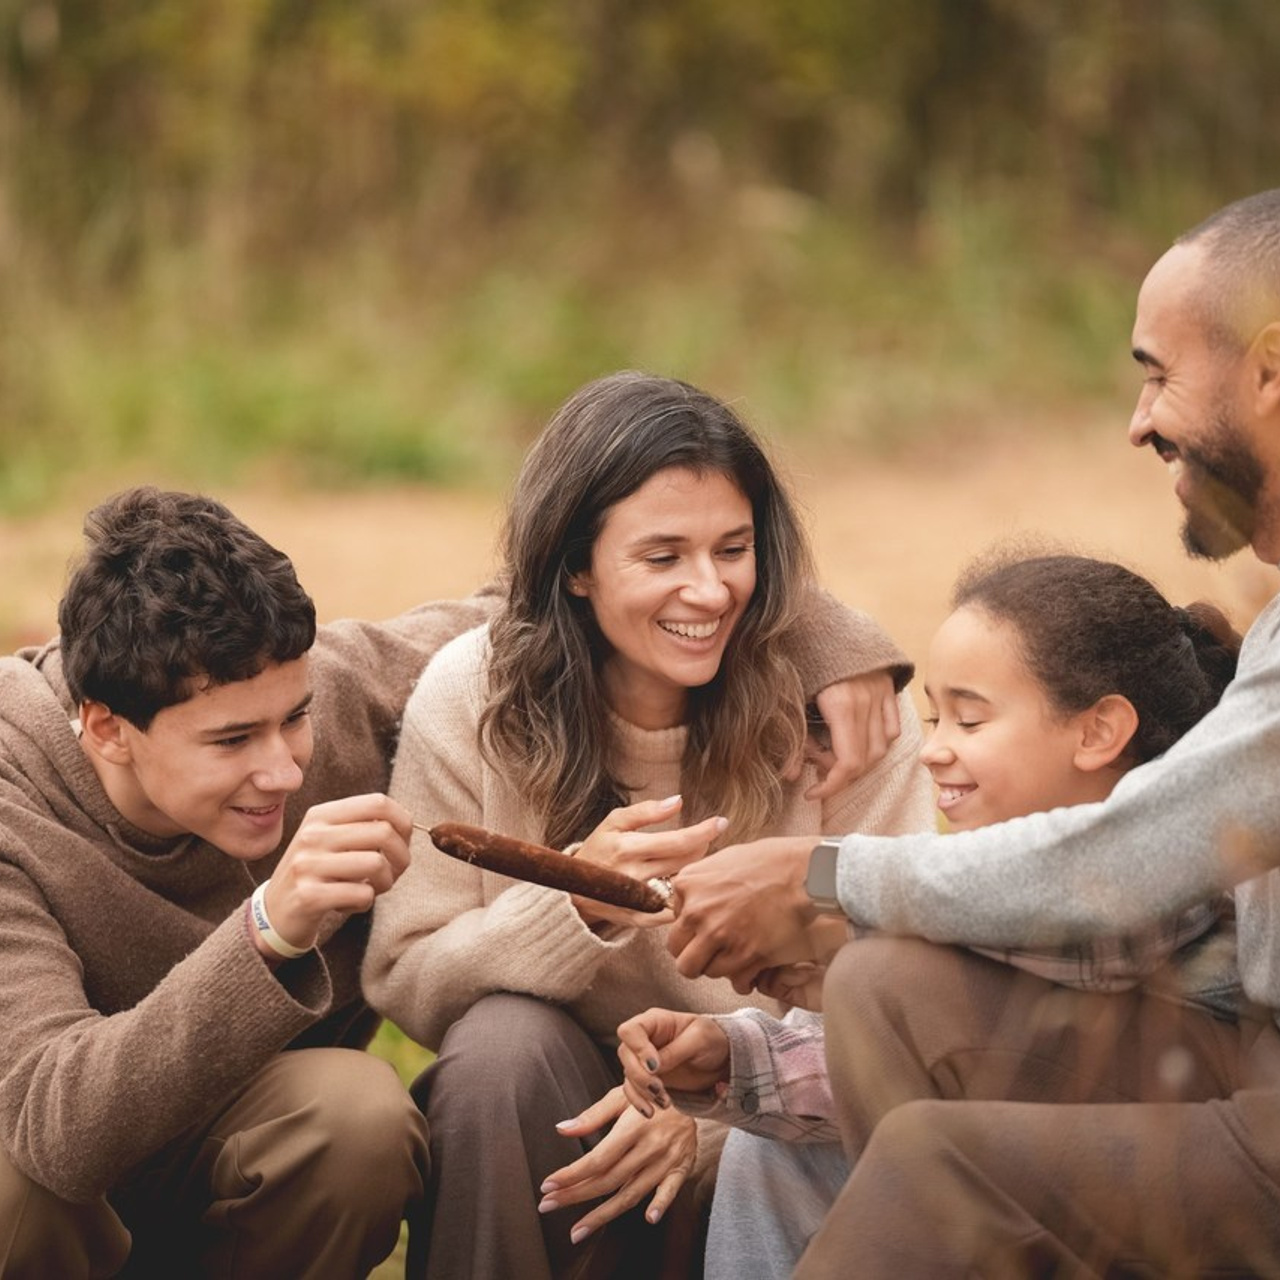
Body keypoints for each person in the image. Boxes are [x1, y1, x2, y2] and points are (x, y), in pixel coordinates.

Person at [661, 188, 1280, 1274]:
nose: (1137, 420)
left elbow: (1127, 858)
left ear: (1270, 371)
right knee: (881, 988)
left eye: (1155, 372)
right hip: (1240, 1056)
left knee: (934, 1160)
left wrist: (821, 875)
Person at [362, 369, 934, 1279]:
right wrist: (575, 908)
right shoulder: (474, 694)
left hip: (776, 1124)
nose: (708, 591)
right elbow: (407, 975)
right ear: (578, 567)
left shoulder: (840, 716)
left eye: (734, 549)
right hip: (551, 1126)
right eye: (663, 557)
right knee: (501, 1049)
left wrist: (717, 1112)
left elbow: (907, 987)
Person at [616, 550, 1241, 1277]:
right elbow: (958, 1033)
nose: (933, 752)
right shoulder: (968, 883)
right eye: (935, 719)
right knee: (775, 1148)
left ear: (1098, 732)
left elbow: (1086, 943)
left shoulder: (1171, 865)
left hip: (1159, 1181)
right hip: (1006, 1167)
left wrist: (821, 893)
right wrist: (737, 1059)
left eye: (970, 721)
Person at [0, 485, 506, 1277]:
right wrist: (267, 929)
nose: (282, 769)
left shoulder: (339, 694)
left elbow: (529, 614)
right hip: (46, 1191)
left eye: (293, 718)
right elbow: (51, 1128)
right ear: (106, 727)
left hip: (219, 1163)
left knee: (358, 1118)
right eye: (232, 739)